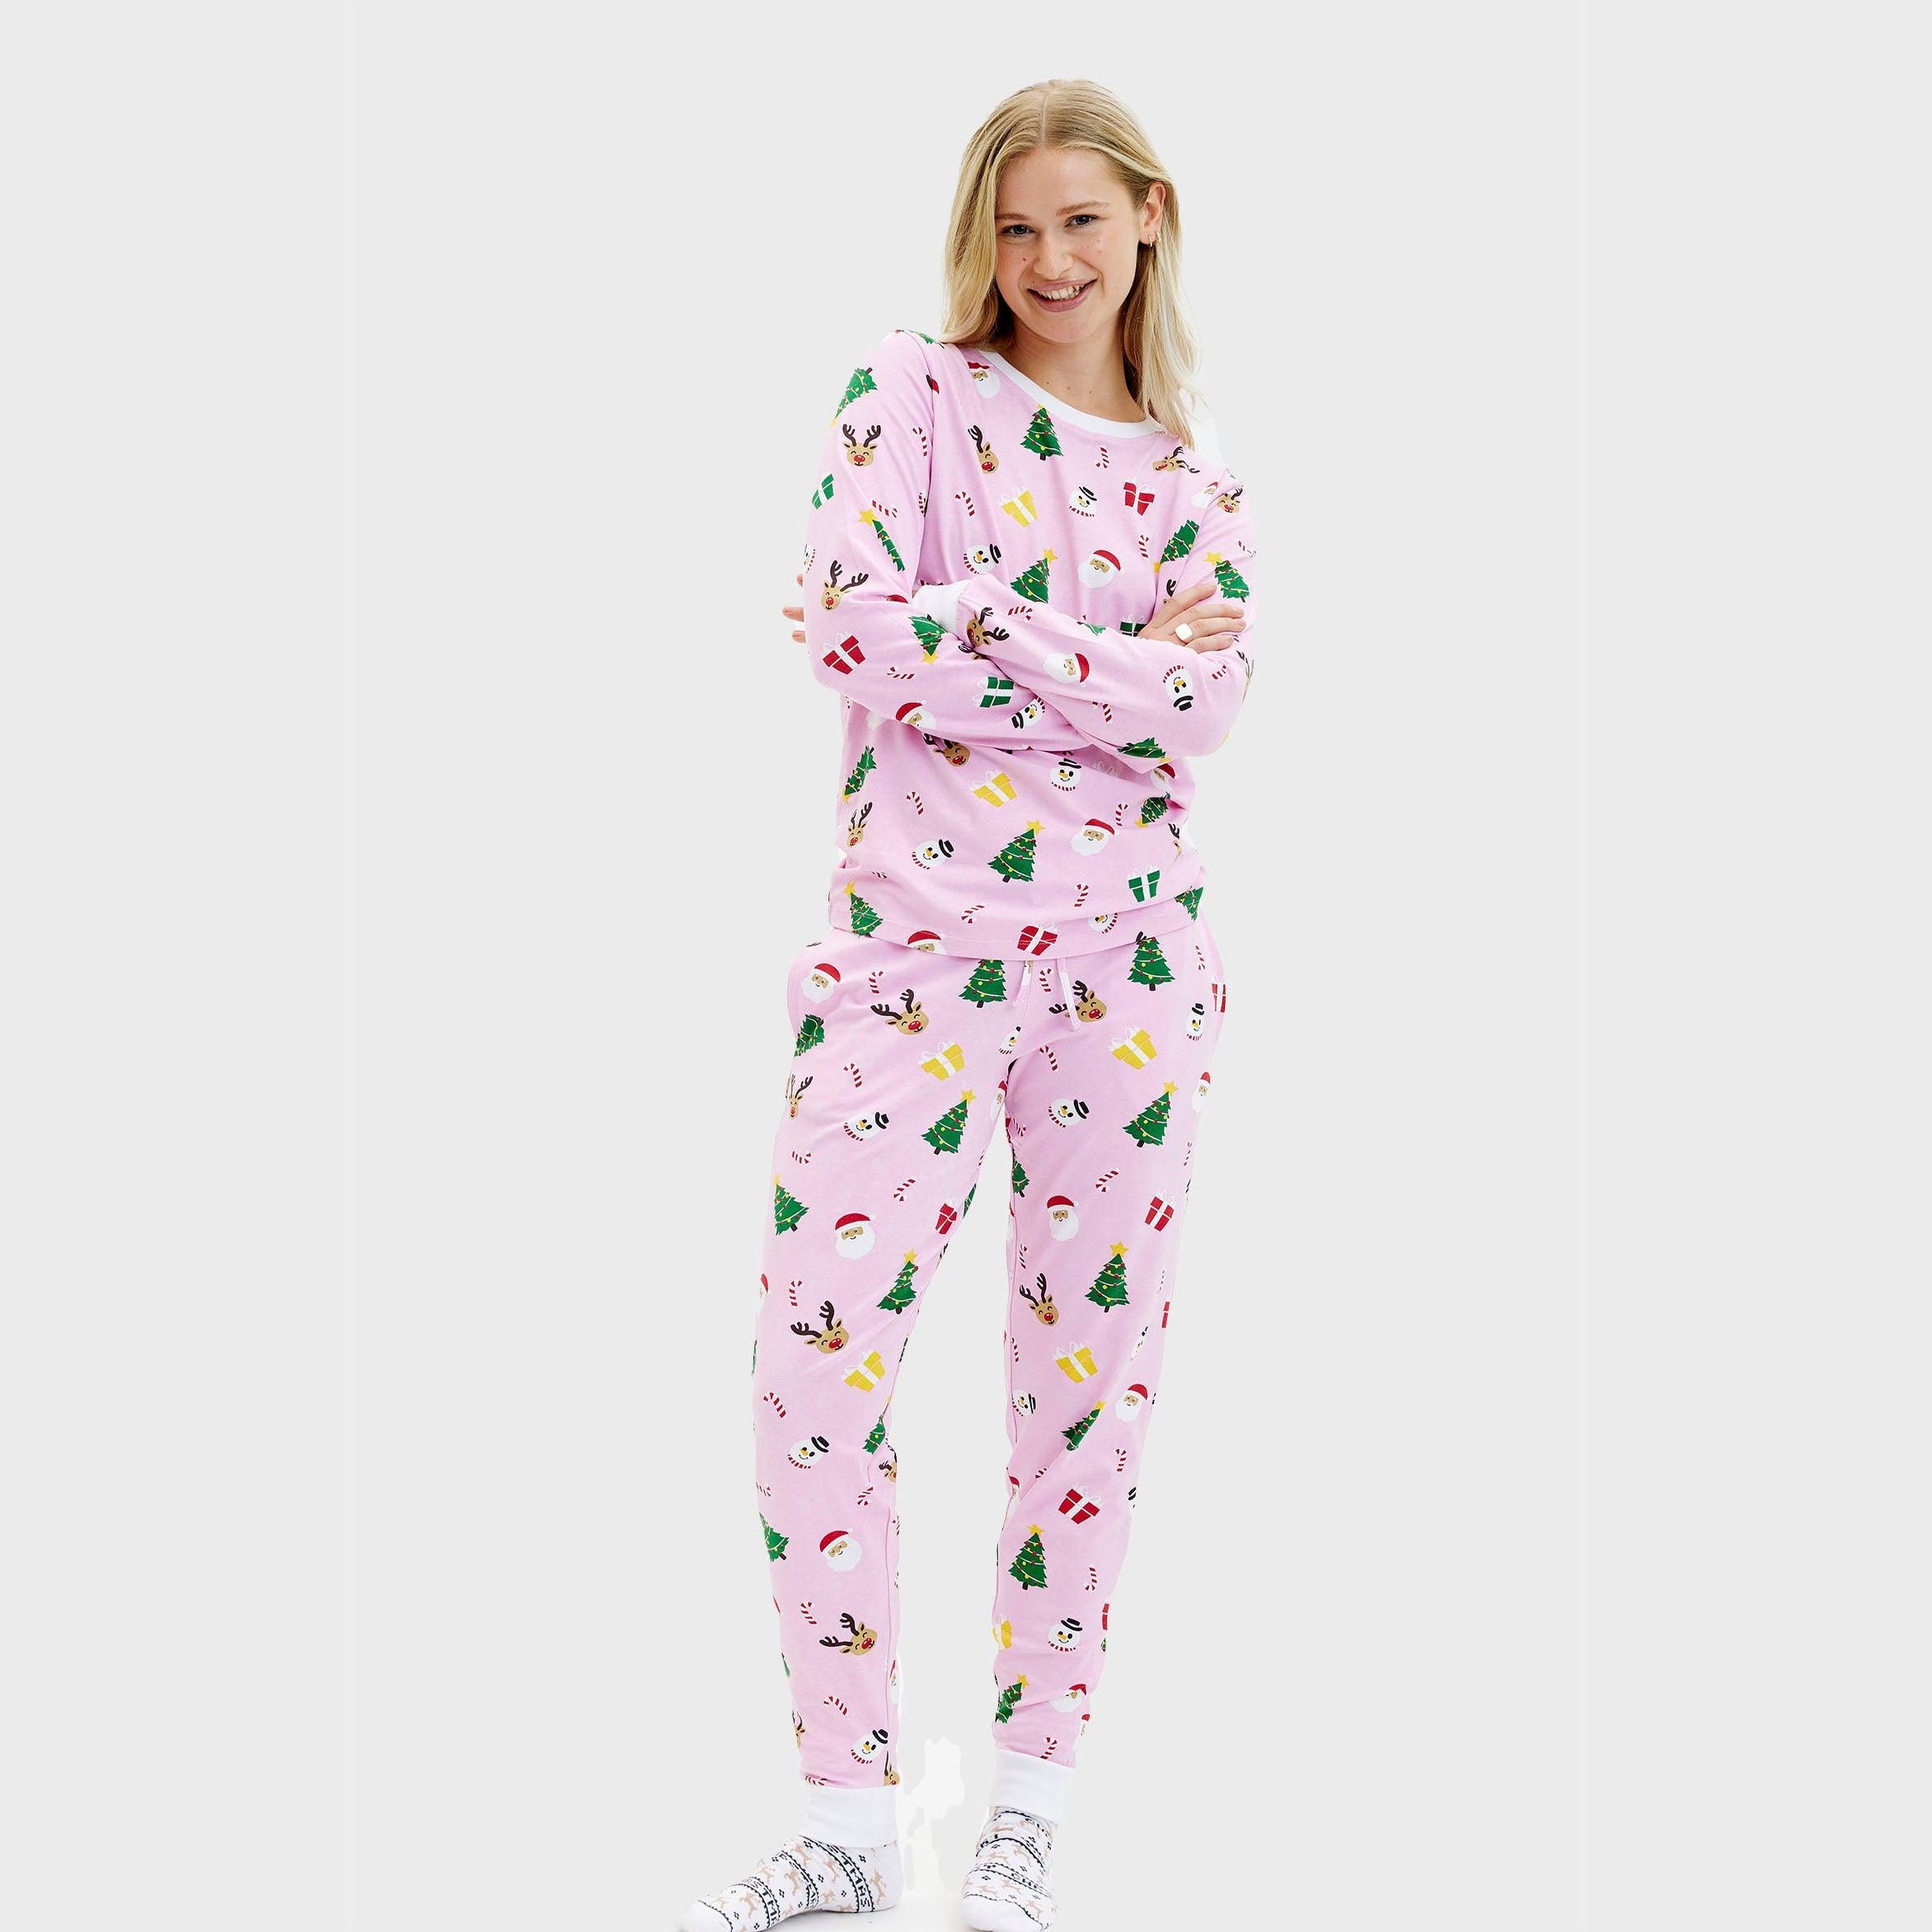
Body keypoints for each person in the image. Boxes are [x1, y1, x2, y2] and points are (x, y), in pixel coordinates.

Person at [678, 76, 1260, 1932]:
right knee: (814, 1365)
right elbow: (849, 627)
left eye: (1080, 219)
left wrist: (976, 631)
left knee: (1083, 1395)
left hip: (1127, 971)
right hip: (905, 958)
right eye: (1015, 228)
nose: (1047, 260)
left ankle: (1024, 1815)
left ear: (1148, 217)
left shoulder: (1193, 484)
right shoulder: (909, 395)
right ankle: (850, 1827)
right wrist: (1086, 655)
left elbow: (1205, 709)